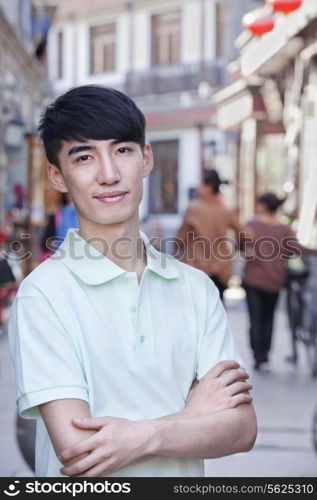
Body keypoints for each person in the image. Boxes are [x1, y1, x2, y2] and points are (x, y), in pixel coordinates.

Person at [8, 85, 257, 478]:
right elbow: (79, 452)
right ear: (58, 176)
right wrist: (191, 417)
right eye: (85, 157)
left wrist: (139, 436)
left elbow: (241, 429)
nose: (109, 174)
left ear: (145, 159)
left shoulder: (195, 289)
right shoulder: (43, 295)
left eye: (122, 150)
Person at [242, 192, 317, 370]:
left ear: (264, 206)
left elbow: (240, 244)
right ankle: (265, 355)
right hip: (274, 281)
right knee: (269, 318)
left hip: (253, 279)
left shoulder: (251, 225)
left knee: (255, 319)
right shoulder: (283, 229)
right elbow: (296, 247)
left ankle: (258, 355)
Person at [174, 169, 252, 301]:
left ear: (209, 187)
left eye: (202, 184)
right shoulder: (226, 210)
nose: (198, 188)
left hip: (197, 267)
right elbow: (248, 235)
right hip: (221, 269)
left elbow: (180, 239)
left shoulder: (194, 209)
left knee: (196, 314)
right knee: (217, 314)